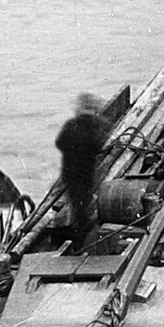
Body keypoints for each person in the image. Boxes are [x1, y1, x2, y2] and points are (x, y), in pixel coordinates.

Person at [55, 94, 106, 245]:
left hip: (69, 171)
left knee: (75, 200)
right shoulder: (92, 128)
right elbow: (97, 147)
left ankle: (77, 228)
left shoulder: (70, 125)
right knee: (83, 200)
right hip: (85, 172)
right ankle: (80, 234)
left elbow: (59, 142)